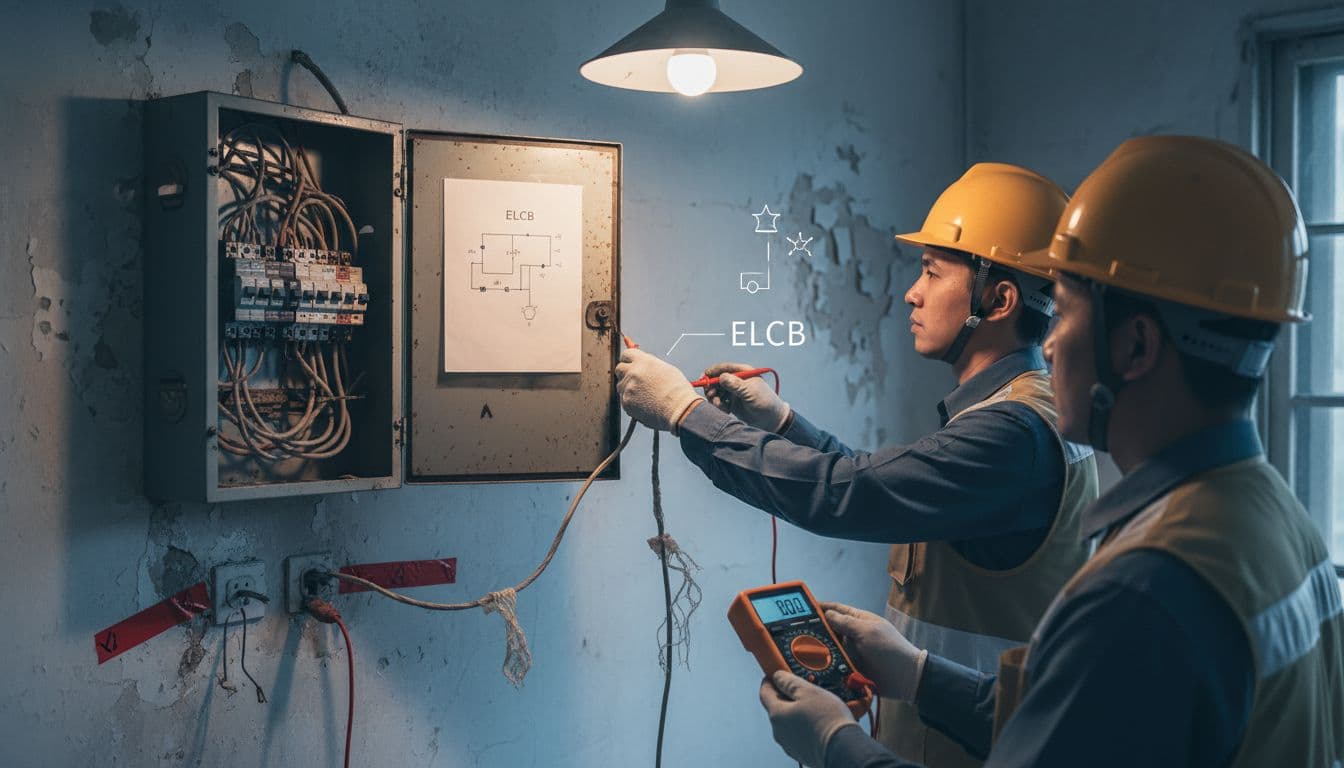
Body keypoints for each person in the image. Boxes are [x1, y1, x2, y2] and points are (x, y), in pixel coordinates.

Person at [757, 136, 1344, 768]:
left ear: (1136, 346)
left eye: (1064, 315)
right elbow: (1112, 726)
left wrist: (834, 743)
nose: (1051, 346)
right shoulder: (1283, 524)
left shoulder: (1144, 588)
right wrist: (922, 677)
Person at [616, 164, 1099, 766]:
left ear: (998, 300)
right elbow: (877, 481)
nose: (912, 293)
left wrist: (684, 412)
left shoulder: (1010, 433)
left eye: (932, 272)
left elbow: (847, 494)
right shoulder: (1023, 409)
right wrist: (782, 422)